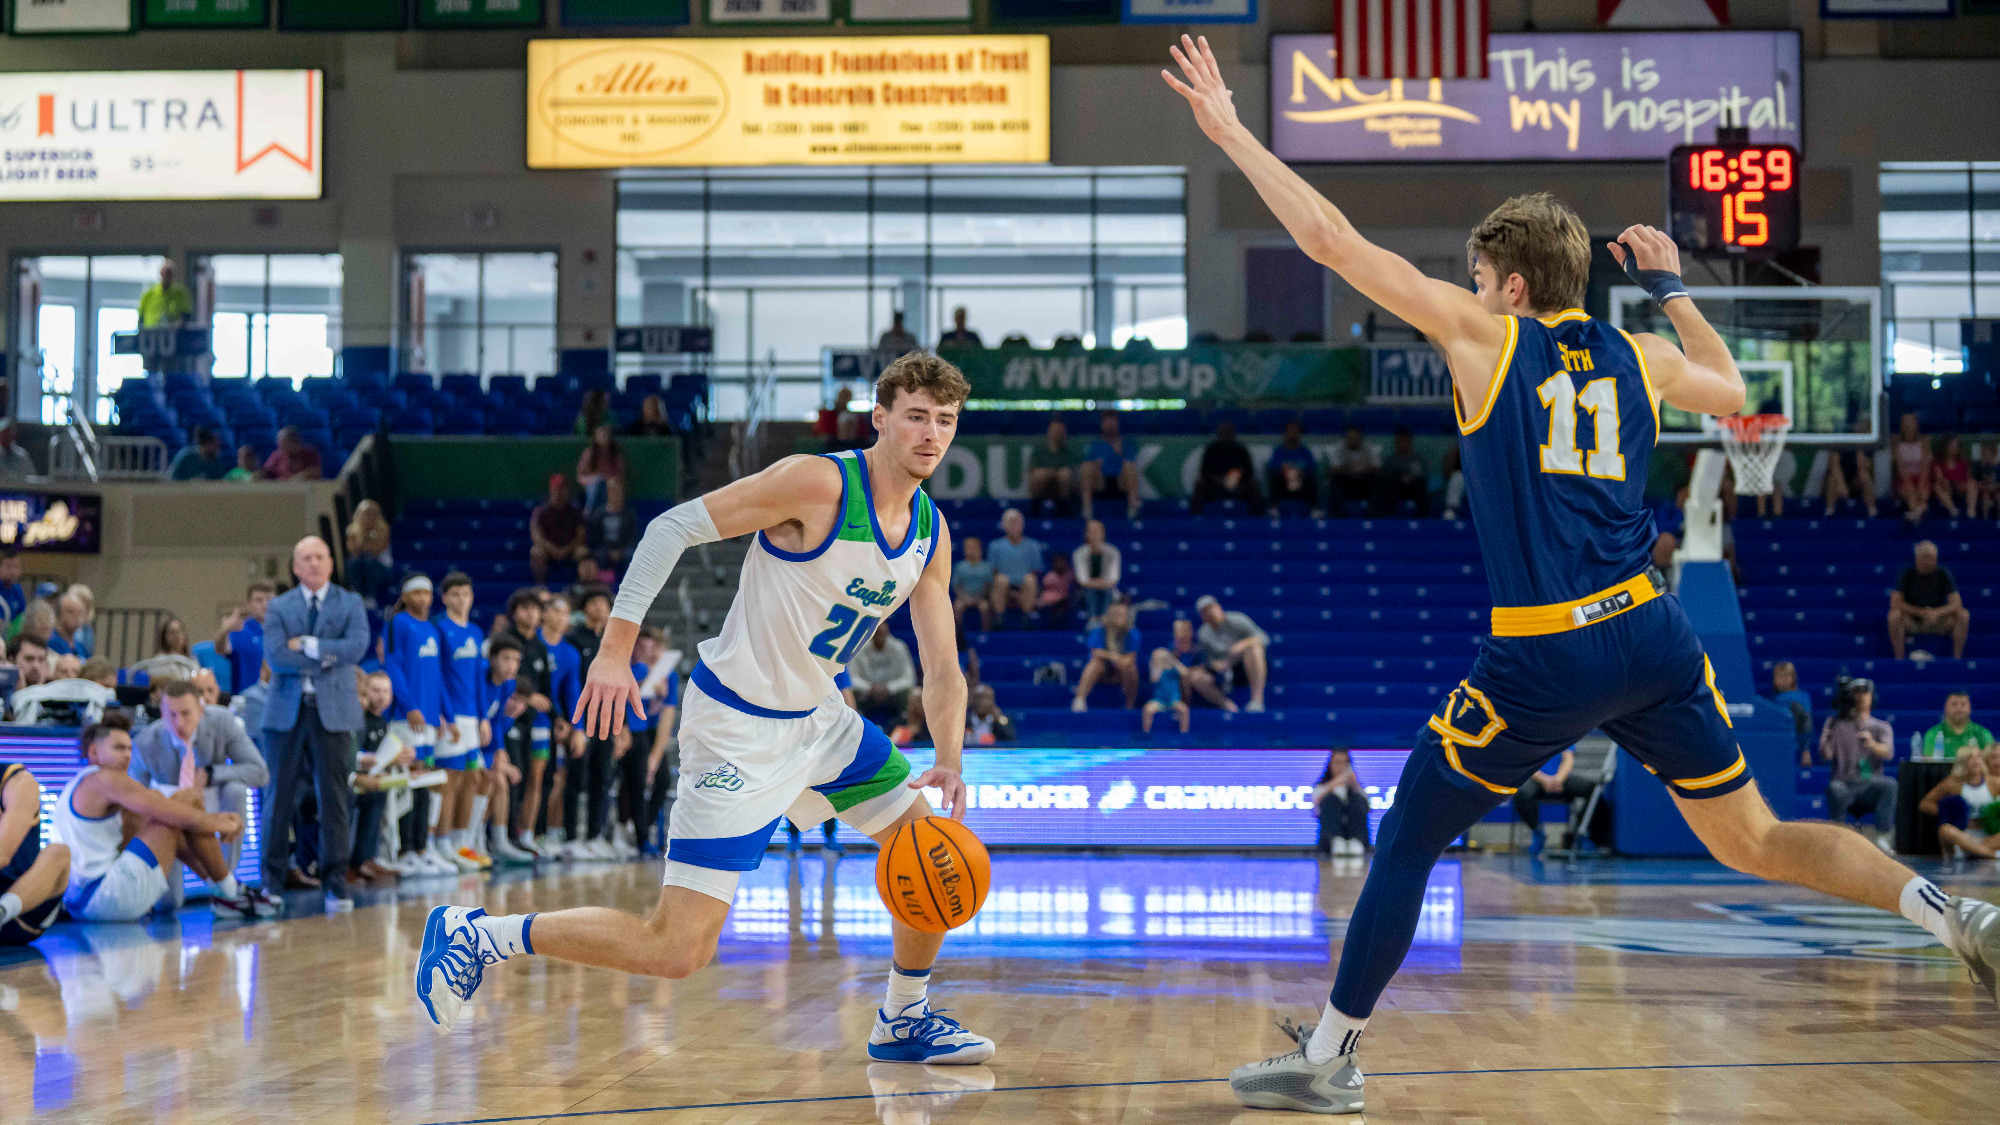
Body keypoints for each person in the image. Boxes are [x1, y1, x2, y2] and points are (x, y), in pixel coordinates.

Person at [1161, 35, 2000, 1113]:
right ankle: (1950, 913)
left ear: (1508, 283)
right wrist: (1668, 290)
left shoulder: (1487, 337)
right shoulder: (1637, 357)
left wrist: (1230, 129)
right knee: (1756, 839)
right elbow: (1732, 384)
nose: (1465, 290)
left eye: (1474, 277)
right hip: (1651, 638)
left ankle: (1328, 1055)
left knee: (1409, 831)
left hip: (1546, 648)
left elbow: (1326, 238)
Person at [416, 352, 997, 1073]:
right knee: (677, 949)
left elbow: (942, 666)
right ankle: (480, 935)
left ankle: (904, 1015)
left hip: (821, 721)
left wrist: (950, 755)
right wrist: (614, 648)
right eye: (916, 415)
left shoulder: (929, 533)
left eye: (945, 420)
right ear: (880, 418)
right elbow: (669, 528)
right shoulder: (817, 483)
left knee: (931, 852)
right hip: (738, 728)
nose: (931, 433)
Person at [260, 536, 370, 913]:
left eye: (319, 557)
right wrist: (329, 656)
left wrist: (308, 646)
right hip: (285, 713)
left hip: (335, 712)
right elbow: (275, 657)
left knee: (335, 798)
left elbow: (356, 648)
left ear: (330, 563)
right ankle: (271, 882)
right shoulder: (278, 606)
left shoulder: (350, 603)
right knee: (279, 798)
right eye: (305, 558)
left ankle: (335, 883)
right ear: (294, 566)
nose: (313, 564)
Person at [58, 714, 249, 922]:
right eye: (119, 748)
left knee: (165, 809)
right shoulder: (106, 778)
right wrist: (221, 822)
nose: (127, 755)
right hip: (106, 896)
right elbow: (166, 810)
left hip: (79, 904)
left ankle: (225, 890)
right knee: (187, 800)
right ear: (94, 752)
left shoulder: (78, 784)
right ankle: (230, 892)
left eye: (130, 749)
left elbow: (154, 806)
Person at [128, 678, 276, 911]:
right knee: (169, 903)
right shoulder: (146, 741)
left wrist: (211, 772)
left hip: (212, 799)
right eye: (171, 715)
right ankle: (214, 887)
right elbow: (134, 804)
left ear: (201, 709)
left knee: (236, 790)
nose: (179, 722)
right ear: (161, 712)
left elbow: (260, 773)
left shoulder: (222, 722)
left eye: (186, 713)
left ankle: (226, 887)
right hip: (170, 813)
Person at [435, 572, 500, 870]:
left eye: (467, 594)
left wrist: (483, 717)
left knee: (472, 779)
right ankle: (441, 842)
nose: (462, 600)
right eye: (456, 594)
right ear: (445, 597)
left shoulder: (475, 632)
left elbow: (477, 678)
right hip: (451, 717)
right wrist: (445, 715)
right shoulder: (439, 627)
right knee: (449, 780)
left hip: (472, 718)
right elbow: (437, 677)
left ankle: (462, 842)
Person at [501, 589, 558, 859]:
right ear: (515, 612)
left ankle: (527, 834)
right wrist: (527, 696)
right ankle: (508, 836)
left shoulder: (540, 647)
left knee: (537, 778)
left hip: (537, 723)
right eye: (524, 608)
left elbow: (547, 689)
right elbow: (500, 678)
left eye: (535, 609)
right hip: (510, 720)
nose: (531, 613)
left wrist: (558, 719)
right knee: (515, 777)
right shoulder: (505, 641)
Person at [0, 761, 69, 944]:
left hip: (25, 909)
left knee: (59, 853)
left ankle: (3, 910)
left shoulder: (18, 781)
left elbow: (2, 855)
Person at [1889, 540, 1970, 660]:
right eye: (1925, 557)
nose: (1928, 562)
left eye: (1931, 558)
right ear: (1917, 558)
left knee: (1963, 615)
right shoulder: (1907, 573)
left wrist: (1936, 613)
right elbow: (1895, 602)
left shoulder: (1943, 573)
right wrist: (1922, 613)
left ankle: (1957, 658)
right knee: (1894, 616)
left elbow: (1956, 603)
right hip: (1914, 621)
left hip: (1938, 620)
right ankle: (1899, 658)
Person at [1919, 748, 2000, 860]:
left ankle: (1976, 851)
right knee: (1945, 830)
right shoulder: (1952, 783)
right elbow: (1925, 804)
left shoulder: (1994, 782)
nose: (1976, 761)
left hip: (1987, 836)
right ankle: (1992, 855)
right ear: (1962, 762)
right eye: (1970, 758)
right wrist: (1947, 812)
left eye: (1978, 757)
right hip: (1963, 835)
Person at [1509, 747, 1591, 855]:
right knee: (1520, 794)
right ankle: (1537, 831)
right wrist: (1545, 780)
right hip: (1536, 779)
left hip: (1560, 779)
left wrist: (1558, 779)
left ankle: (1581, 832)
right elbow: (1526, 762)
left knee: (1593, 789)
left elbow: (1568, 759)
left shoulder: (1564, 732)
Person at [1195, 595, 1269, 713]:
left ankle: (1257, 700)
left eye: (1211, 608)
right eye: (1205, 611)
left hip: (1245, 666)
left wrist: (1243, 644)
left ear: (1219, 608)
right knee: (1196, 676)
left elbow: (1264, 639)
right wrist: (1216, 665)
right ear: (1202, 616)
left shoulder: (1238, 619)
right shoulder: (1203, 634)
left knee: (1254, 648)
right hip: (1223, 671)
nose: (1210, 613)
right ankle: (1226, 705)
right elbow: (1206, 660)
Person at [1072, 601, 1140, 712]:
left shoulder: (1133, 633)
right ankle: (1079, 699)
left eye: (1123, 615)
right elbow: (1096, 653)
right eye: (1117, 614)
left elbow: (1130, 658)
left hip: (1120, 672)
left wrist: (1119, 661)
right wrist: (1114, 657)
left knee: (1131, 668)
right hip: (1102, 671)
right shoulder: (1098, 630)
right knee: (1095, 664)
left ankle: (1130, 705)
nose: (1120, 618)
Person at [214, 581, 276, 699]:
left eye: (269, 599)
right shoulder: (240, 629)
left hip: (277, 700)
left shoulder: (282, 630)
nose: (265, 604)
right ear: (248, 604)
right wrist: (224, 630)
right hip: (245, 699)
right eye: (259, 600)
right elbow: (221, 649)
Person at [849, 626, 917, 731]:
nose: (879, 637)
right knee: (849, 693)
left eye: (882, 634)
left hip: (893, 694)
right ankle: (855, 727)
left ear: (888, 634)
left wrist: (888, 687)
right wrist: (869, 688)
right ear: (870, 635)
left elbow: (909, 678)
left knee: (911, 693)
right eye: (876, 634)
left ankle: (904, 728)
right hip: (867, 695)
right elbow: (851, 678)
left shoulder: (899, 647)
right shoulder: (859, 648)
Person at [985, 509, 1044, 625]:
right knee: (1000, 580)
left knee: (1030, 579)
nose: (1015, 526)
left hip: (1024, 588)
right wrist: (1010, 593)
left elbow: (1035, 571)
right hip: (1003, 588)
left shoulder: (1032, 546)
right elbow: (993, 572)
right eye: (1011, 522)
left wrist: (1019, 592)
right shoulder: (995, 546)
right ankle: (999, 620)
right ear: (1004, 525)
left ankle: (1027, 619)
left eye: (1017, 522)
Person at [1190, 421, 1262, 515]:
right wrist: (1221, 481)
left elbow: (1248, 472)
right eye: (1223, 433)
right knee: (1200, 485)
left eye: (1228, 433)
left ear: (1233, 434)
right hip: (1215, 486)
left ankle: (1257, 518)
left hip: (1238, 486)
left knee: (1253, 486)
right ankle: (1196, 517)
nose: (1225, 436)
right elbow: (1205, 472)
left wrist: (1233, 481)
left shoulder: (1240, 451)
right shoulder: (1211, 450)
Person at [1080, 412, 1142, 520]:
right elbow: (1088, 463)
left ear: (1117, 423)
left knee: (1129, 466)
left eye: (1112, 421)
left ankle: (1133, 506)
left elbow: (1131, 462)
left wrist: (1120, 453)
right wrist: (1096, 465)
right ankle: (1087, 508)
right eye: (1107, 421)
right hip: (1101, 481)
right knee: (1086, 467)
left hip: (1120, 481)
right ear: (1102, 424)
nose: (1110, 424)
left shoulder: (1126, 444)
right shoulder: (1095, 445)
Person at [529, 474, 590, 584]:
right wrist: (553, 549)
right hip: (548, 549)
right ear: (551, 490)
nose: (559, 493)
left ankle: (582, 586)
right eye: (556, 489)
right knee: (536, 551)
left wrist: (566, 549)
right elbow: (537, 536)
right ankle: (540, 586)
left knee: (582, 551)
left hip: (570, 549)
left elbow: (581, 535)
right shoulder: (541, 512)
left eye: (562, 489)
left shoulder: (575, 512)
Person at [1312, 750, 1371, 856]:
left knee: (1358, 800)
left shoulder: (1356, 790)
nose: (1341, 767)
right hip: (1329, 843)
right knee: (1329, 800)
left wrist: (1355, 784)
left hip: (1356, 840)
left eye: (1345, 763)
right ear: (1330, 764)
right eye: (1337, 763)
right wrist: (1334, 784)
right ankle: (1336, 841)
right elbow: (1316, 806)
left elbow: (1367, 807)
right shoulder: (1322, 787)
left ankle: (1356, 842)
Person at [343, 499, 395, 608]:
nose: (368, 517)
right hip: (361, 564)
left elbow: (376, 550)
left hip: (381, 567)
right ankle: (358, 594)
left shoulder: (383, 529)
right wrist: (362, 535)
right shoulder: (352, 530)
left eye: (371, 514)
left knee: (369, 562)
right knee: (353, 563)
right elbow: (352, 550)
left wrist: (366, 541)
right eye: (365, 514)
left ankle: (370, 596)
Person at [1765, 661, 1816, 766]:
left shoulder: (1802, 697)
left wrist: (1806, 750)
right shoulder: (1772, 700)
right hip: (1776, 744)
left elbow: (1806, 724)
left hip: (1794, 743)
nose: (1783, 679)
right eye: (1780, 676)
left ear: (1793, 677)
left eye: (1786, 676)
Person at [1266, 422, 1322, 517]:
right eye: (1290, 431)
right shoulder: (1279, 451)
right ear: (1286, 433)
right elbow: (1273, 467)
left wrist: (1297, 474)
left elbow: (1311, 468)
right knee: (1275, 479)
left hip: (1301, 483)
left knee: (1311, 481)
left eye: (1295, 431)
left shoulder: (1305, 452)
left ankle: (1315, 509)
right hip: (1284, 483)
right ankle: (1274, 508)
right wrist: (1288, 473)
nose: (1293, 434)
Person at [1072, 519, 1123, 622]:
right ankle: (1093, 620)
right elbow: (1082, 579)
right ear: (1086, 534)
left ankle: (1105, 619)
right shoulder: (1079, 553)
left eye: (1096, 531)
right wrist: (1097, 583)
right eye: (1090, 531)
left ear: (1103, 533)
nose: (1094, 535)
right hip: (1085, 591)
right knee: (1091, 591)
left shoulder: (1113, 552)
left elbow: (1114, 578)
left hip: (1107, 588)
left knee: (1107, 591)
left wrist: (1100, 583)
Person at [588, 478, 641, 575]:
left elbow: (632, 537)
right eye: (612, 491)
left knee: (631, 554)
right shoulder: (598, 514)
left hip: (623, 548)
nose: (615, 495)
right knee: (599, 554)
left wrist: (620, 551)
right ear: (608, 493)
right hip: (604, 548)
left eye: (618, 491)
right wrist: (608, 551)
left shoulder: (629, 515)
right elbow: (595, 538)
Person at [1920, 692, 1994, 759]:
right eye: (1954, 704)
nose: (1959, 708)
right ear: (1945, 708)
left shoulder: (1983, 733)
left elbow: (1991, 761)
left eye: (1963, 704)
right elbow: (1929, 762)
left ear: (1970, 708)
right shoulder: (1933, 733)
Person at [1375, 426, 1430, 516]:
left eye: (1405, 441)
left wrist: (1410, 478)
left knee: (1420, 484)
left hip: (1413, 487)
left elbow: (1422, 475)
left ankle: (1424, 518)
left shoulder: (1418, 459)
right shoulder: (1390, 460)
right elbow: (1385, 475)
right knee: (1387, 484)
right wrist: (1399, 477)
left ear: (1410, 441)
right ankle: (1387, 517)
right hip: (1395, 488)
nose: (1403, 444)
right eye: (1400, 441)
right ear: (1396, 442)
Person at [1326, 428, 1382, 515]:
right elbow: (1333, 469)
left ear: (1360, 438)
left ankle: (1375, 515)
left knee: (1378, 480)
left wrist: (1363, 469)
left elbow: (1377, 468)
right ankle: (1336, 517)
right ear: (1346, 439)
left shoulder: (1369, 448)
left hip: (1364, 482)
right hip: (1346, 482)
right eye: (1350, 438)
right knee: (1335, 480)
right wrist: (1350, 469)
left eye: (1355, 437)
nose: (1353, 440)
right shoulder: (1339, 448)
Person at [1890, 413, 1933, 524]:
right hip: (1903, 479)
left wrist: (1921, 483)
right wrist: (1908, 483)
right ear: (1902, 425)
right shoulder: (1896, 443)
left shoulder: (1924, 442)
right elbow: (1900, 468)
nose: (1908, 425)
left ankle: (1915, 514)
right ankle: (1917, 512)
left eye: (1911, 422)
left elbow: (1925, 466)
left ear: (1916, 425)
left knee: (1922, 492)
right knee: (1909, 491)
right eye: (1906, 422)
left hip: (1921, 477)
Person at [1027, 417, 1075, 509]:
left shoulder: (1068, 451)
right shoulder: (1040, 450)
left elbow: (1069, 469)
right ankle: (1035, 506)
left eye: (1060, 430)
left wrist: (1053, 472)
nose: (1057, 433)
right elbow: (1033, 469)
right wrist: (1051, 472)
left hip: (1060, 483)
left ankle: (1064, 507)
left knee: (1065, 474)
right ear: (1049, 431)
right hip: (1044, 482)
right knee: (1038, 475)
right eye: (1055, 430)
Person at [577, 425, 627, 512]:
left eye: (605, 435)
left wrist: (609, 480)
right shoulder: (589, 454)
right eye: (600, 435)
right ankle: (590, 511)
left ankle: (615, 511)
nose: (603, 437)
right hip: (594, 486)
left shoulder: (615, 454)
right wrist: (595, 479)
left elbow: (620, 475)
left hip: (611, 485)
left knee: (612, 486)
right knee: (595, 485)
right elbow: (580, 477)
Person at [951, 536, 996, 632]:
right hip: (964, 597)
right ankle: (957, 634)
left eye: (973, 547)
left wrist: (979, 598)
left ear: (979, 548)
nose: (970, 550)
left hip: (981, 598)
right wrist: (964, 598)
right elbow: (956, 586)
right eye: (968, 548)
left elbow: (989, 585)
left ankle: (987, 632)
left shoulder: (986, 567)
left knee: (985, 607)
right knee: (957, 606)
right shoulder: (960, 566)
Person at [1140, 645, 1189, 734]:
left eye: (1163, 658)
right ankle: (1146, 733)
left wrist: (1174, 662)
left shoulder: (1173, 669)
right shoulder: (1156, 671)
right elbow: (1154, 679)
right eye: (1158, 658)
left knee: (1184, 710)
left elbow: (1185, 673)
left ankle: (1184, 733)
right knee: (1147, 709)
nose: (1161, 660)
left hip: (1174, 700)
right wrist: (1158, 667)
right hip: (1159, 701)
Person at [139, 261, 192, 328]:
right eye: (165, 273)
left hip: (173, 333)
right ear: (161, 274)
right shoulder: (149, 294)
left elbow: (186, 314)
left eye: (169, 274)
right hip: (151, 333)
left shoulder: (181, 293)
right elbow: (140, 317)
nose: (166, 276)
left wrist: (180, 324)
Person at [258, 427, 323, 481]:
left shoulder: (310, 453)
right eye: (280, 445)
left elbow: (316, 471)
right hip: (283, 491)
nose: (282, 448)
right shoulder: (277, 455)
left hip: (305, 489)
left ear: (296, 443)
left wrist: (299, 477)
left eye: (285, 444)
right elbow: (266, 472)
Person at [167, 427, 231, 481]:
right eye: (214, 445)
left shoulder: (216, 462)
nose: (217, 449)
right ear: (205, 444)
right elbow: (175, 479)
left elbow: (220, 482)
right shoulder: (187, 459)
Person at [1933, 434, 1973, 519]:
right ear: (1946, 447)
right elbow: (1939, 478)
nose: (1954, 448)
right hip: (1947, 488)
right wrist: (1947, 483)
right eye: (1951, 445)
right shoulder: (1938, 463)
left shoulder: (1963, 462)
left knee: (1972, 484)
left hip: (1961, 487)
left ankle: (1971, 512)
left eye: (1956, 446)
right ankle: (1953, 510)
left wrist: (1961, 485)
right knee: (1937, 486)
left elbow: (1967, 478)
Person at [48, 592, 90, 659]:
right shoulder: (50, 642)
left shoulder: (80, 646)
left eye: (80, 612)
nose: (76, 617)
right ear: (58, 614)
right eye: (70, 612)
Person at [0, 550, 24, 623]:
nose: (12, 571)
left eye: (16, 567)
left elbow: (21, 618)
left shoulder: (18, 590)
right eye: (8, 566)